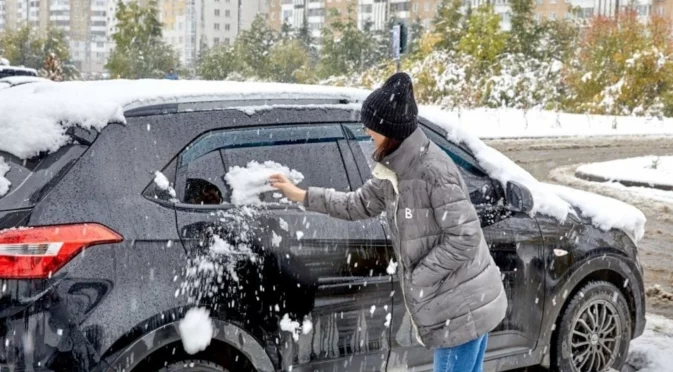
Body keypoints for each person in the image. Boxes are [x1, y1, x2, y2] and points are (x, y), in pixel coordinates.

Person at [270, 72, 507, 372]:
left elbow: (465, 236)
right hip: (458, 304)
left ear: (391, 130)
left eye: (372, 126)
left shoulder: (431, 172)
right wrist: (301, 195)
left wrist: (419, 277)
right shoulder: (394, 171)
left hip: (461, 309)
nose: (367, 131)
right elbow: (356, 204)